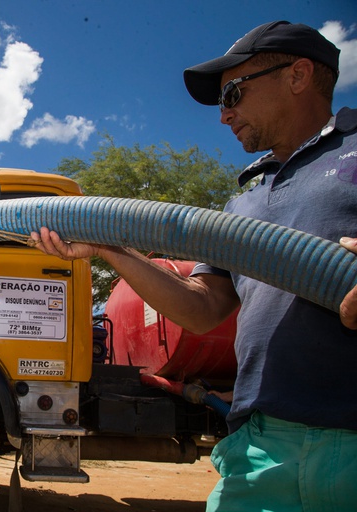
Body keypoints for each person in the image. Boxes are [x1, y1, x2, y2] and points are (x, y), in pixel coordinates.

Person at [32, 20, 357, 511]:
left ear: (298, 75)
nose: (224, 116)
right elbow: (203, 310)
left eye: (233, 94)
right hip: (261, 448)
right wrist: (109, 248)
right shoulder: (243, 206)